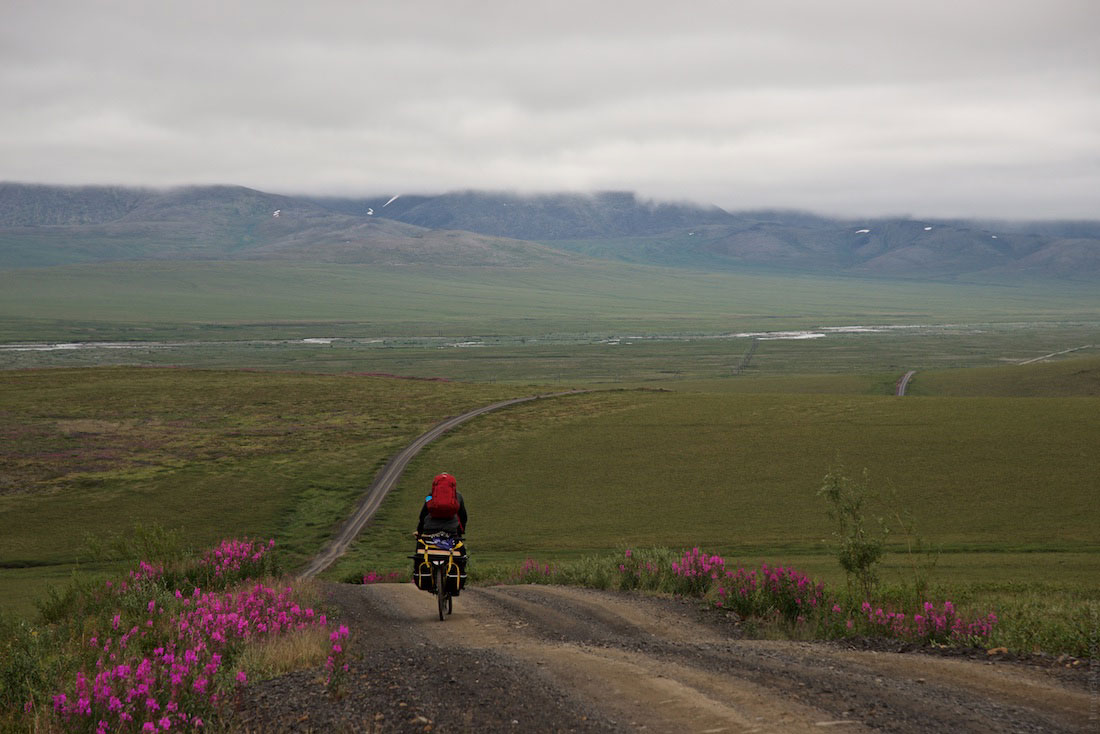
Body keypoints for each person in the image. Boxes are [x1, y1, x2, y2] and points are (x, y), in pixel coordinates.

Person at [416, 472, 467, 537]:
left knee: (421, 545)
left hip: (430, 530)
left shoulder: (429, 496)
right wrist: (461, 531)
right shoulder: (458, 496)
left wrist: (419, 530)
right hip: (451, 530)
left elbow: (423, 514)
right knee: (459, 546)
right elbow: (463, 516)